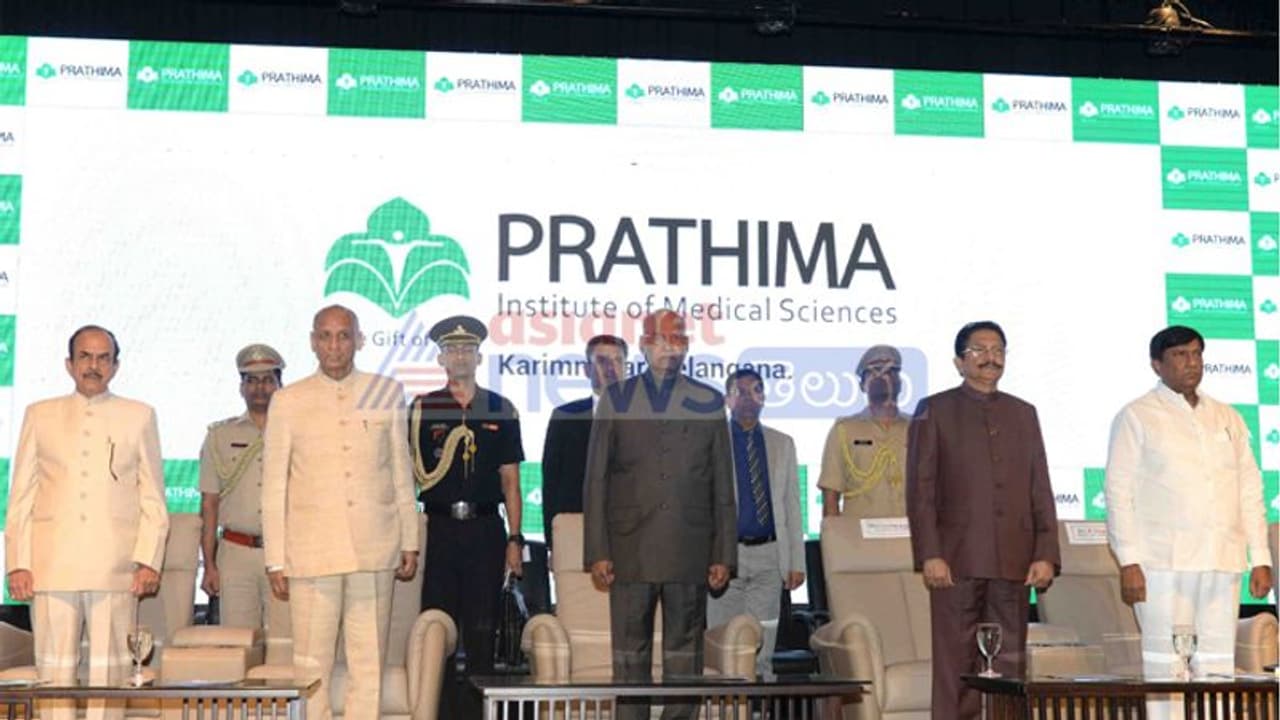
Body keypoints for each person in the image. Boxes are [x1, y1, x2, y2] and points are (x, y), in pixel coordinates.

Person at [1105, 325, 1272, 719]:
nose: (1191, 363)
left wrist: (1261, 557)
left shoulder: (1227, 417)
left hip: (1223, 559)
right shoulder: (1137, 415)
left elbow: (1250, 490)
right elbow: (1118, 493)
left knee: (1218, 664)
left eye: (1196, 354)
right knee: (1166, 665)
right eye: (1180, 355)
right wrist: (1128, 560)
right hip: (1162, 563)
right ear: (1156, 365)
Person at [262, 305, 420, 720]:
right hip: (311, 553)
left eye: (344, 336)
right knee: (310, 665)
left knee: (369, 661)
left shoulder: (386, 392)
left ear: (359, 340)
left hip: (375, 547)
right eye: (326, 336)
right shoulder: (288, 400)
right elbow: (275, 486)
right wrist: (276, 559)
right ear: (313, 342)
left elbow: (401, 471)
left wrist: (410, 539)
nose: (334, 346)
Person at [5, 325, 169, 720]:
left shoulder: (138, 416)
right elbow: (21, 495)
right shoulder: (40, 415)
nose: (93, 366)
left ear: (115, 366)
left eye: (102, 358)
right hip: (51, 565)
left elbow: (152, 497)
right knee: (53, 677)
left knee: (109, 676)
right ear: (69, 364)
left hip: (115, 568)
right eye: (85, 357)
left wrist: (148, 560)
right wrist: (17, 563)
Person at [583, 309, 736, 720]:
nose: (671, 347)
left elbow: (723, 484)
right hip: (628, 549)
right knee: (629, 658)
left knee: (684, 659)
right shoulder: (616, 398)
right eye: (662, 339)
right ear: (644, 344)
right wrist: (597, 550)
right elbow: (596, 480)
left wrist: (723, 553)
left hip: (690, 547)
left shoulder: (708, 400)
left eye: (679, 339)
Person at [905, 321, 1059, 720]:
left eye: (998, 350)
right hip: (955, 560)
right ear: (959, 362)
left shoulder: (1023, 413)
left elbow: (1040, 487)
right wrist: (930, 554)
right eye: (979, 350)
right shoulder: (934, 410)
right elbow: (921, 490)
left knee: (1010, 665)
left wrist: (1045, 553)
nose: (991, 358)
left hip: (1014, 558)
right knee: (956, 664)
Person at [411, 314, 524, 720]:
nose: (460, 355)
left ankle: (479, 714)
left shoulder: (500, 408)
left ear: (478, 357)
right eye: (452, 349)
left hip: (484, 531)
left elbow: (510, 481)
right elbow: (407, 478)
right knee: (435, 630)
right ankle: (436, 712)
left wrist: (515, 539)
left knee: (482, 629)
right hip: (438, 531)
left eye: (467, 349)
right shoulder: (422, 409)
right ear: (441, 358)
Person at [706, 368, 804, 680]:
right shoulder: (711, 442)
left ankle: (760, 702)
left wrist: (796, 561)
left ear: (764, 397)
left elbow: (791, 504)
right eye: (741, 391)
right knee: (723, 645)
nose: (749, 397)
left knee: (763, 648)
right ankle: (725, 704)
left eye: (756, 390)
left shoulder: (782, 443)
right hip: (725, 556)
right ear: (727, 399)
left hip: (769, 556)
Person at [198, 344, 291, 635]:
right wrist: (209, 564)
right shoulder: (220, 435)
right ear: (241, 388)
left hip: (286, 552)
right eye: (251, 380)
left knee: (285, 644)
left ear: (279, 385)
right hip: (236, 554)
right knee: (237, 645)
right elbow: (209, 504)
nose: (259, 388)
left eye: (267, 380)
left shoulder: (296, 431)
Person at [540, 334, 628, 546]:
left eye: (618, 361)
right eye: (602, 361)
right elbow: (551, 481)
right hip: (576, 528)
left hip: (630, 531)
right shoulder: (565, 416)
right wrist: (553, 541)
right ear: (587, 370)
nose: (611, 368)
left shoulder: (644, 417)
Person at [818, 345, 910, 518]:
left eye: (891, 371)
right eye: (875, 371)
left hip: (910, 532)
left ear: (900, 382)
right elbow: (831, 496)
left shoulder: (920, 429)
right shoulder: (844, 430)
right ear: (862, 385)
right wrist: (834, 534)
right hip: (859, 533)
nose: (883, 377)